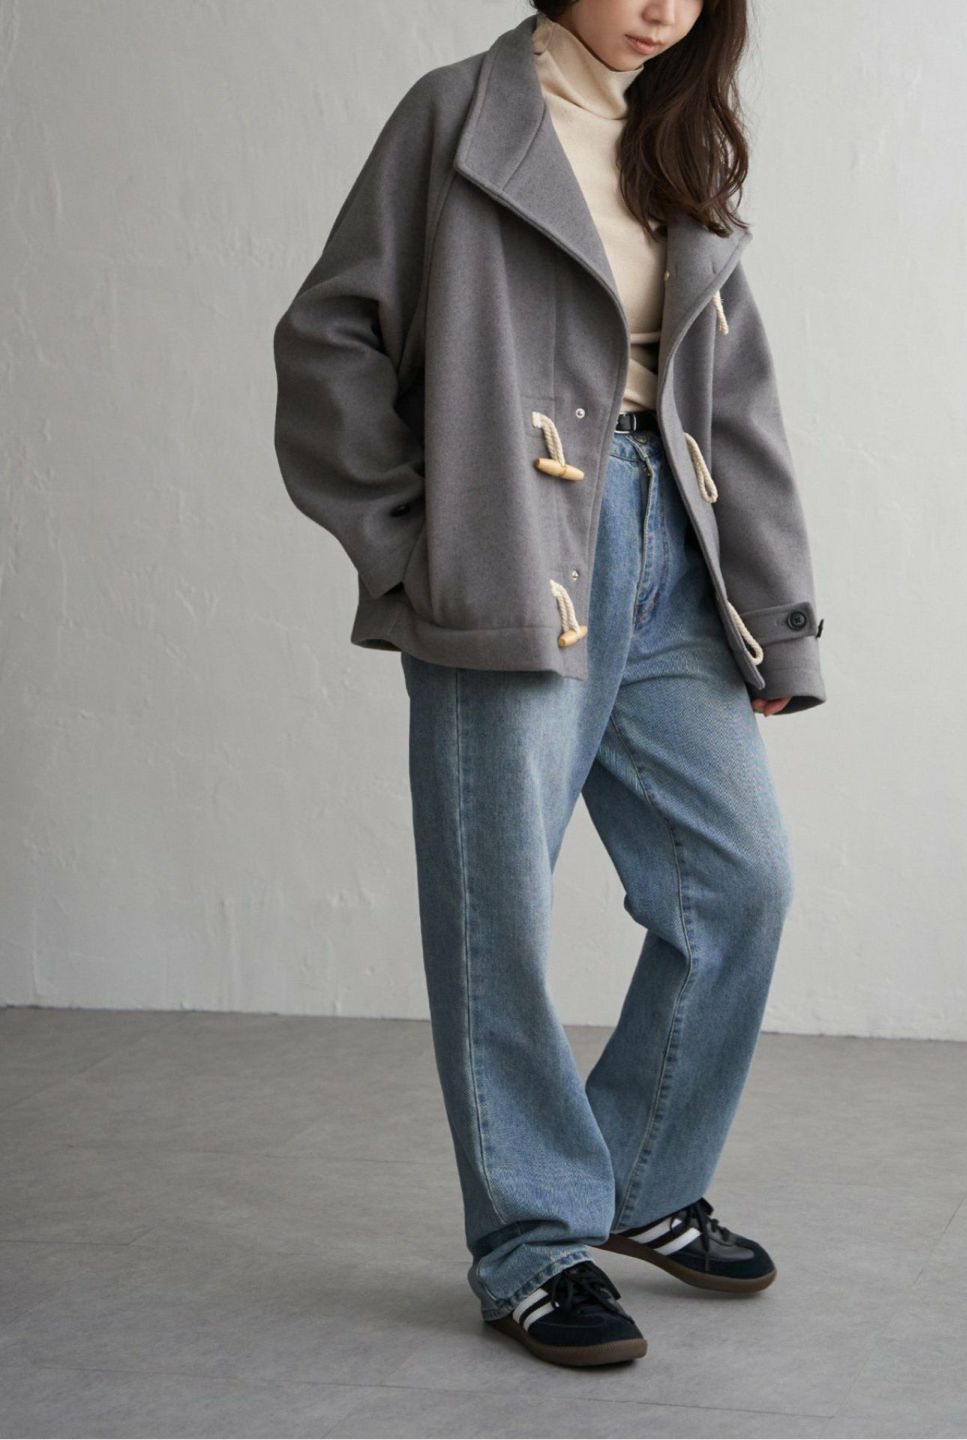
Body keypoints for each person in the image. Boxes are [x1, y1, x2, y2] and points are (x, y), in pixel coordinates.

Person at [272, 0, 827, 1369]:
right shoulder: (458, 115)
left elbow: (734, 400)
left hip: (672, 553)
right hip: (512, 548)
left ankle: (639, 1179)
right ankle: (531, 1244)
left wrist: (774, 617)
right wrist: (417, 546)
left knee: (739, 881)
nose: (663, 10)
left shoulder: (675, 138)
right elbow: (330, 338)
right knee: (498, 914)